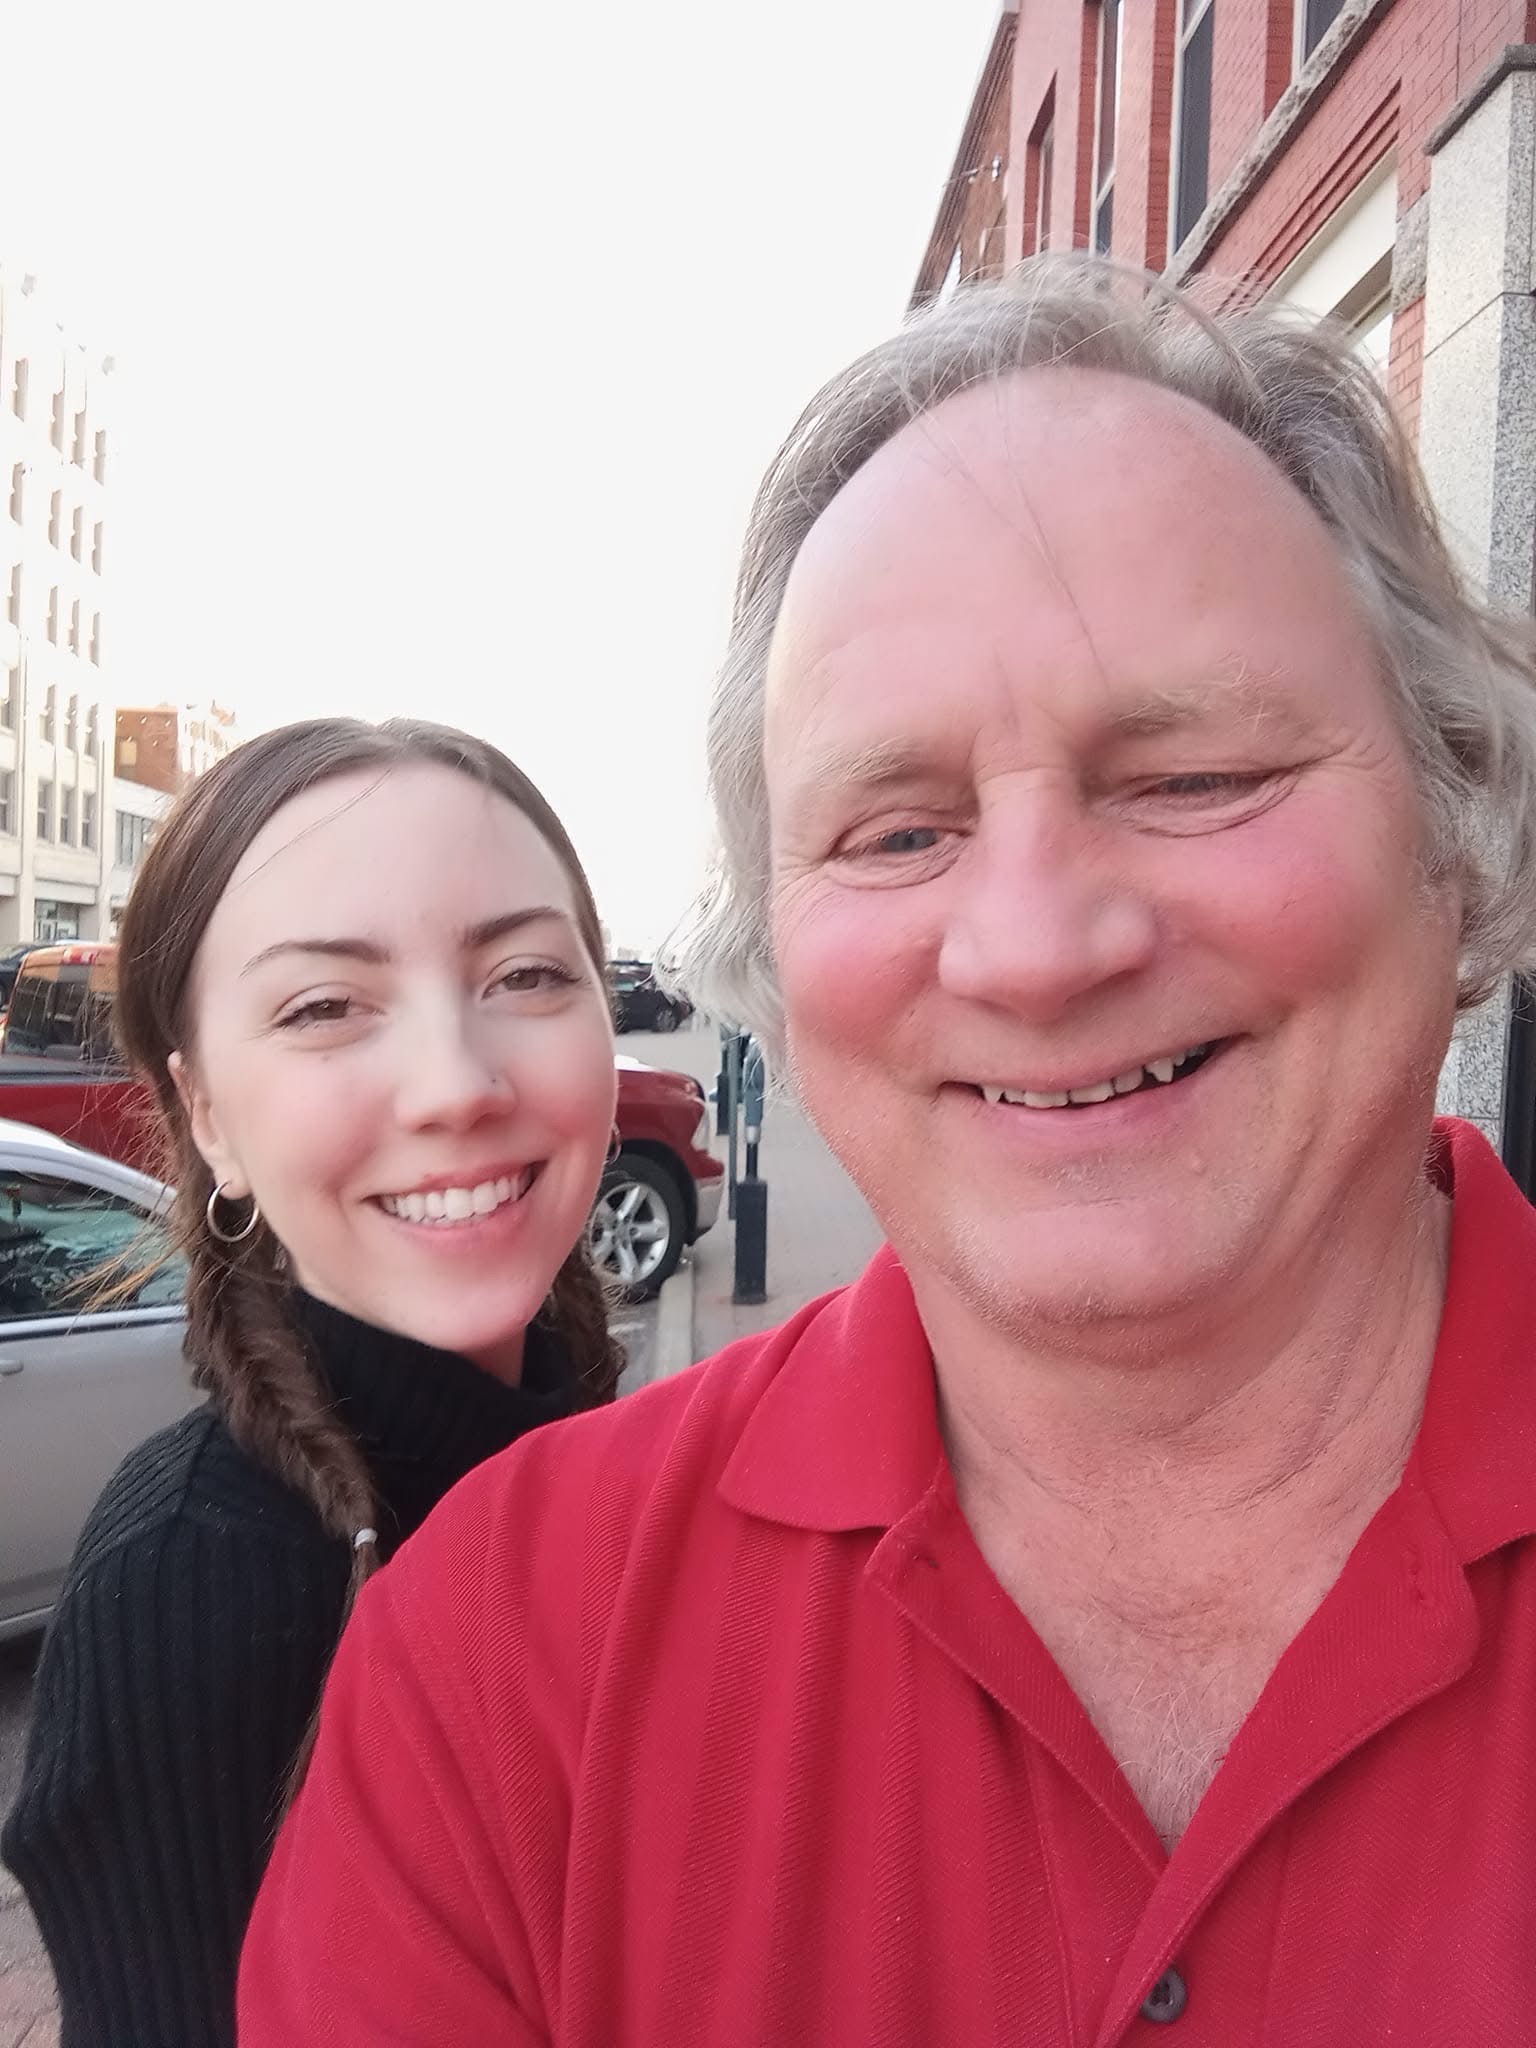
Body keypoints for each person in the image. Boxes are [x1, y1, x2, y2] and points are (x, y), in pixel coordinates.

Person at [239, 259, 1536, 2045]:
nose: (1033, 947)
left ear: (1456, 820)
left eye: (1195, 777)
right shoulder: (503, 1659)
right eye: (899, 830)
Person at [2, 718, 622, 2048]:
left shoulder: (617, 1453)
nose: (456, 1085)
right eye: (325, 1007)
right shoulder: (191, 1583)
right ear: (207, 1115)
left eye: (525, 974)